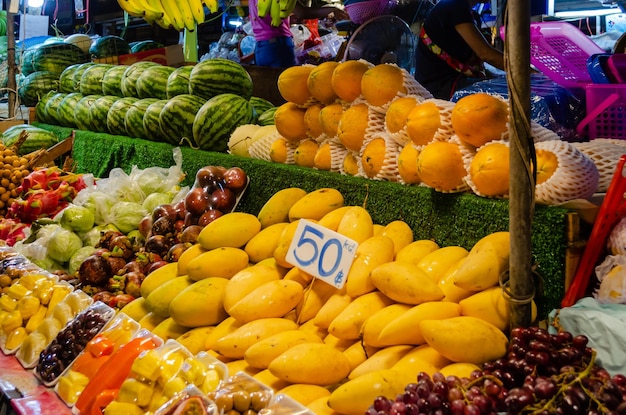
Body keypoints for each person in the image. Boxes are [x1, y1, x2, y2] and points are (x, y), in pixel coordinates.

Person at [414, 0, 505, 100]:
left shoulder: (468, 13)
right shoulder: (454, 5)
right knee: (509, 92)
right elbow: (486, 54)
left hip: (451, 83)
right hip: (441, 89)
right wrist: (521, 68)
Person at [249, 0, 348, 67]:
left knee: (268, 88)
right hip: (278, 45)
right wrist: (332, 9)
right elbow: (302, 12)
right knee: (286, 88)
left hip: (261, 47)